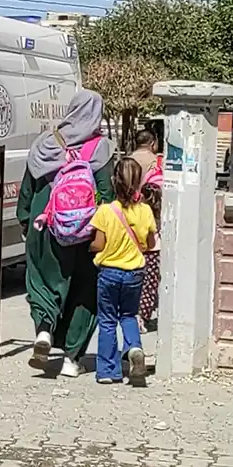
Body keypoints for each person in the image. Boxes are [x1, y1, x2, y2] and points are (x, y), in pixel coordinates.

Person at [16, 90, 116, 378]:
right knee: (84, 292)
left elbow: (27, 189)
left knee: (42, 283)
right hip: (84, 233)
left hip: (44, 226)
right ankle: (72, 358)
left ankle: (44, 332)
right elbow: (107, 195)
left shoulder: (45, 143)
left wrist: (25, 220)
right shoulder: (100, 148)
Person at [88, 157, 157, 386]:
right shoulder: (145, 210)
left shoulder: (105, 211)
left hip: (109, 272)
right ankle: (135, 348)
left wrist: (91, 248)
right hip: (135, 273)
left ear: (114, 181)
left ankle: (108, 371)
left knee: (107, 320)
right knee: (128, 316)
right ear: (139, 183)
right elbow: (149, 242)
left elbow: (98, 244)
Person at [131, 131, 163, 332]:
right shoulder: (156, 163)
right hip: (151, 220)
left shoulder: (128, 160)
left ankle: (132, 312)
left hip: (128, 219)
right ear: (152, 144)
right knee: (150, 274)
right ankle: (143, 312)